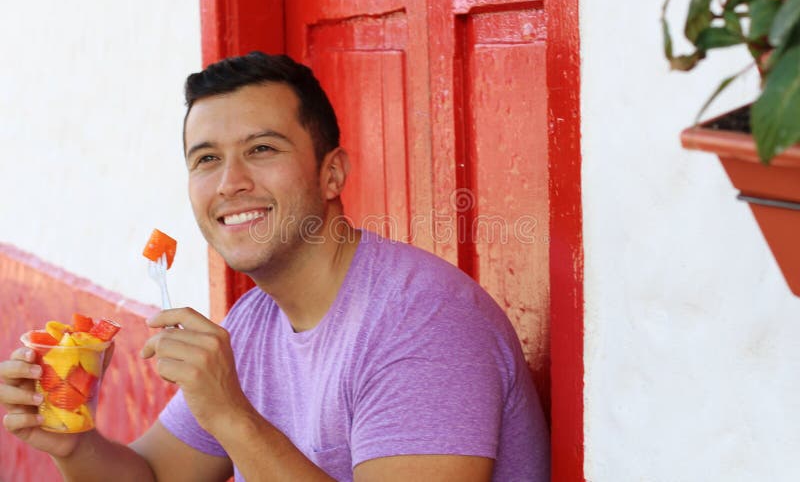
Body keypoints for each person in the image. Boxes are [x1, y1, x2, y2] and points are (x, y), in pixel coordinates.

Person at [0, 52, 549, 481]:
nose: (229, 182)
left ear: (331, 174)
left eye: (262, 149)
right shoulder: (252, 322)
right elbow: (150, 476)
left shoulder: (423, 322)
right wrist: (72, 441)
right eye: (207, 158)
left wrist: (231, 414)